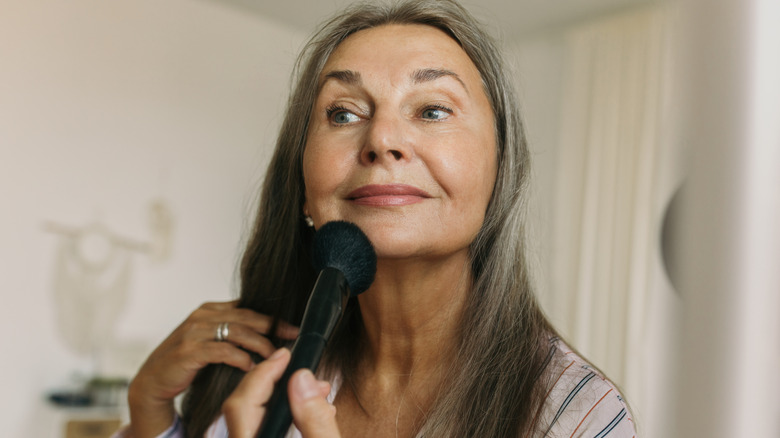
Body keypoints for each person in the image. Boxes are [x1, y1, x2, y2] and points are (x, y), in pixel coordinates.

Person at [117, 1, 636, 437]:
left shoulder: (578, 417)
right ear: (302, 186)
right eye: (343, 113)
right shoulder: (247, 386)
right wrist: (148, 414)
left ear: (500, 170)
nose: (382, 140)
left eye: (432, 110)